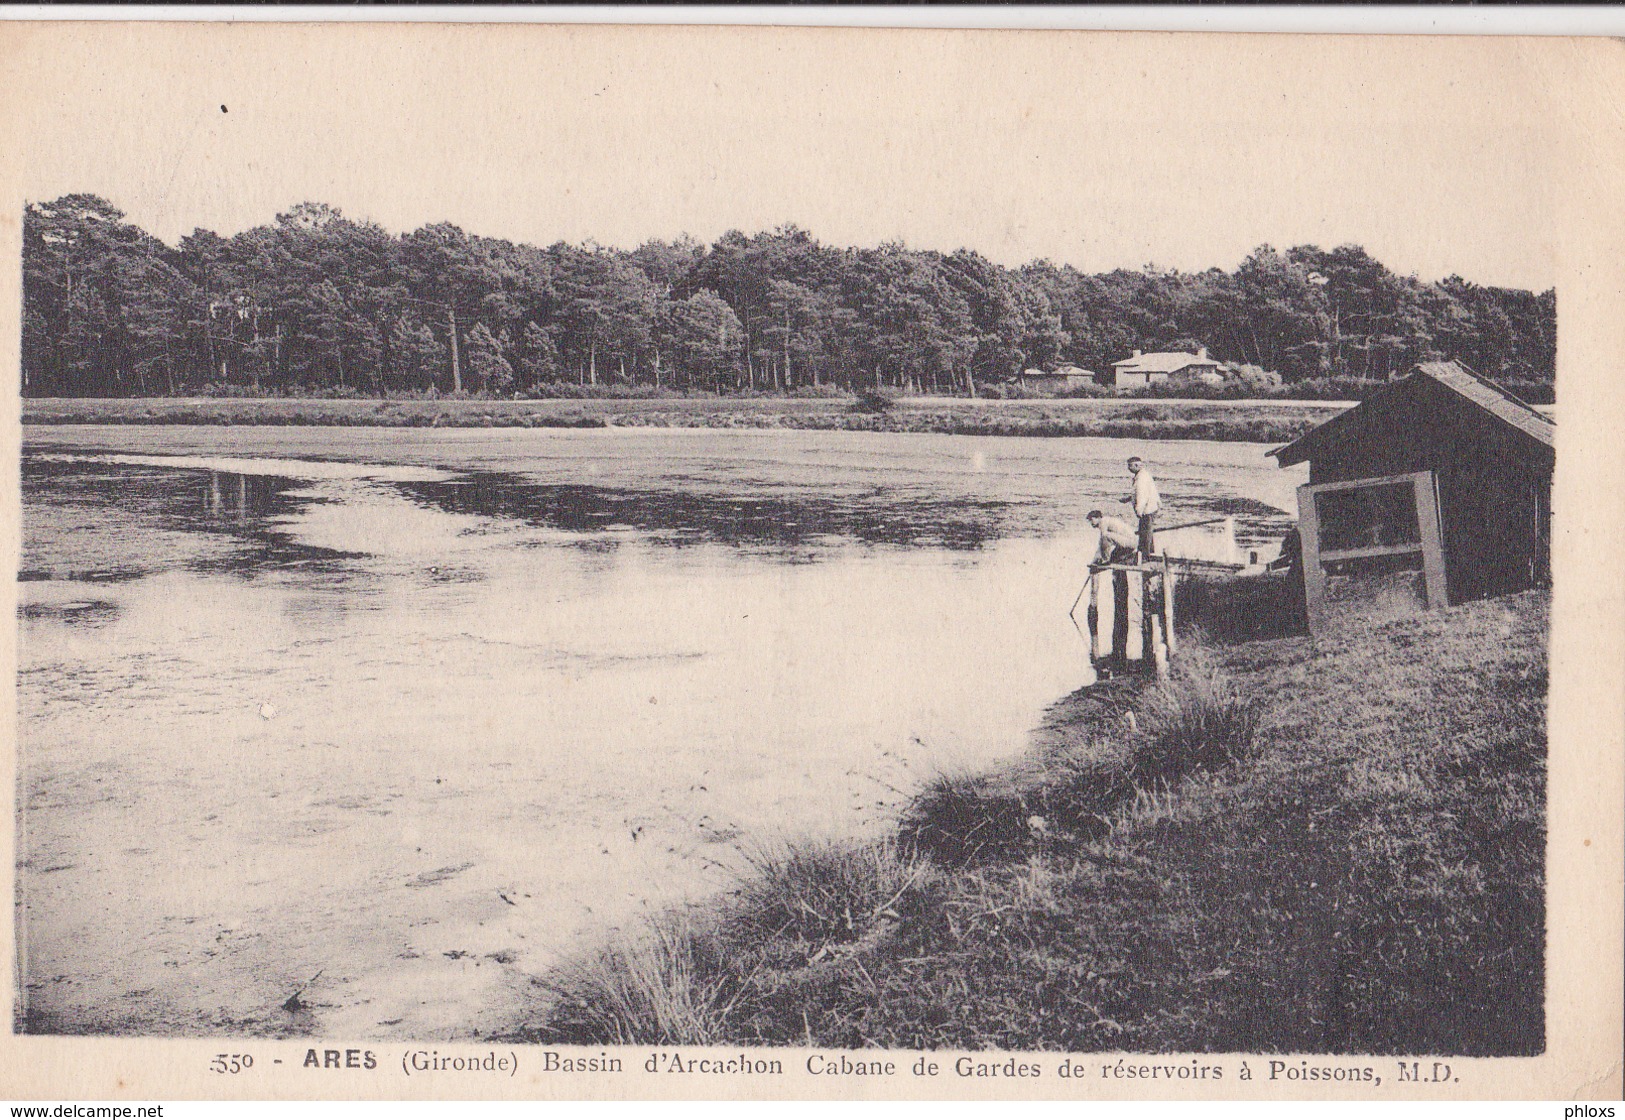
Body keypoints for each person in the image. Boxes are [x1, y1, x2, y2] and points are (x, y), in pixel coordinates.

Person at [1127, 455, 1160, 558]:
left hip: (1147, 509)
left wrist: (1138, 510)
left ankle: (1146, 555)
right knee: (1146, 531)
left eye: (1130, 466)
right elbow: (1139, 493)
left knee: (1145, 533)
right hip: (1150, 507)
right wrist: (1129, 498)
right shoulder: (1142, 475)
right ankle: (1147, 553)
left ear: (1137, 465)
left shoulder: (1141, 478)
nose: (1128, 468)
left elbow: (1142, 496)